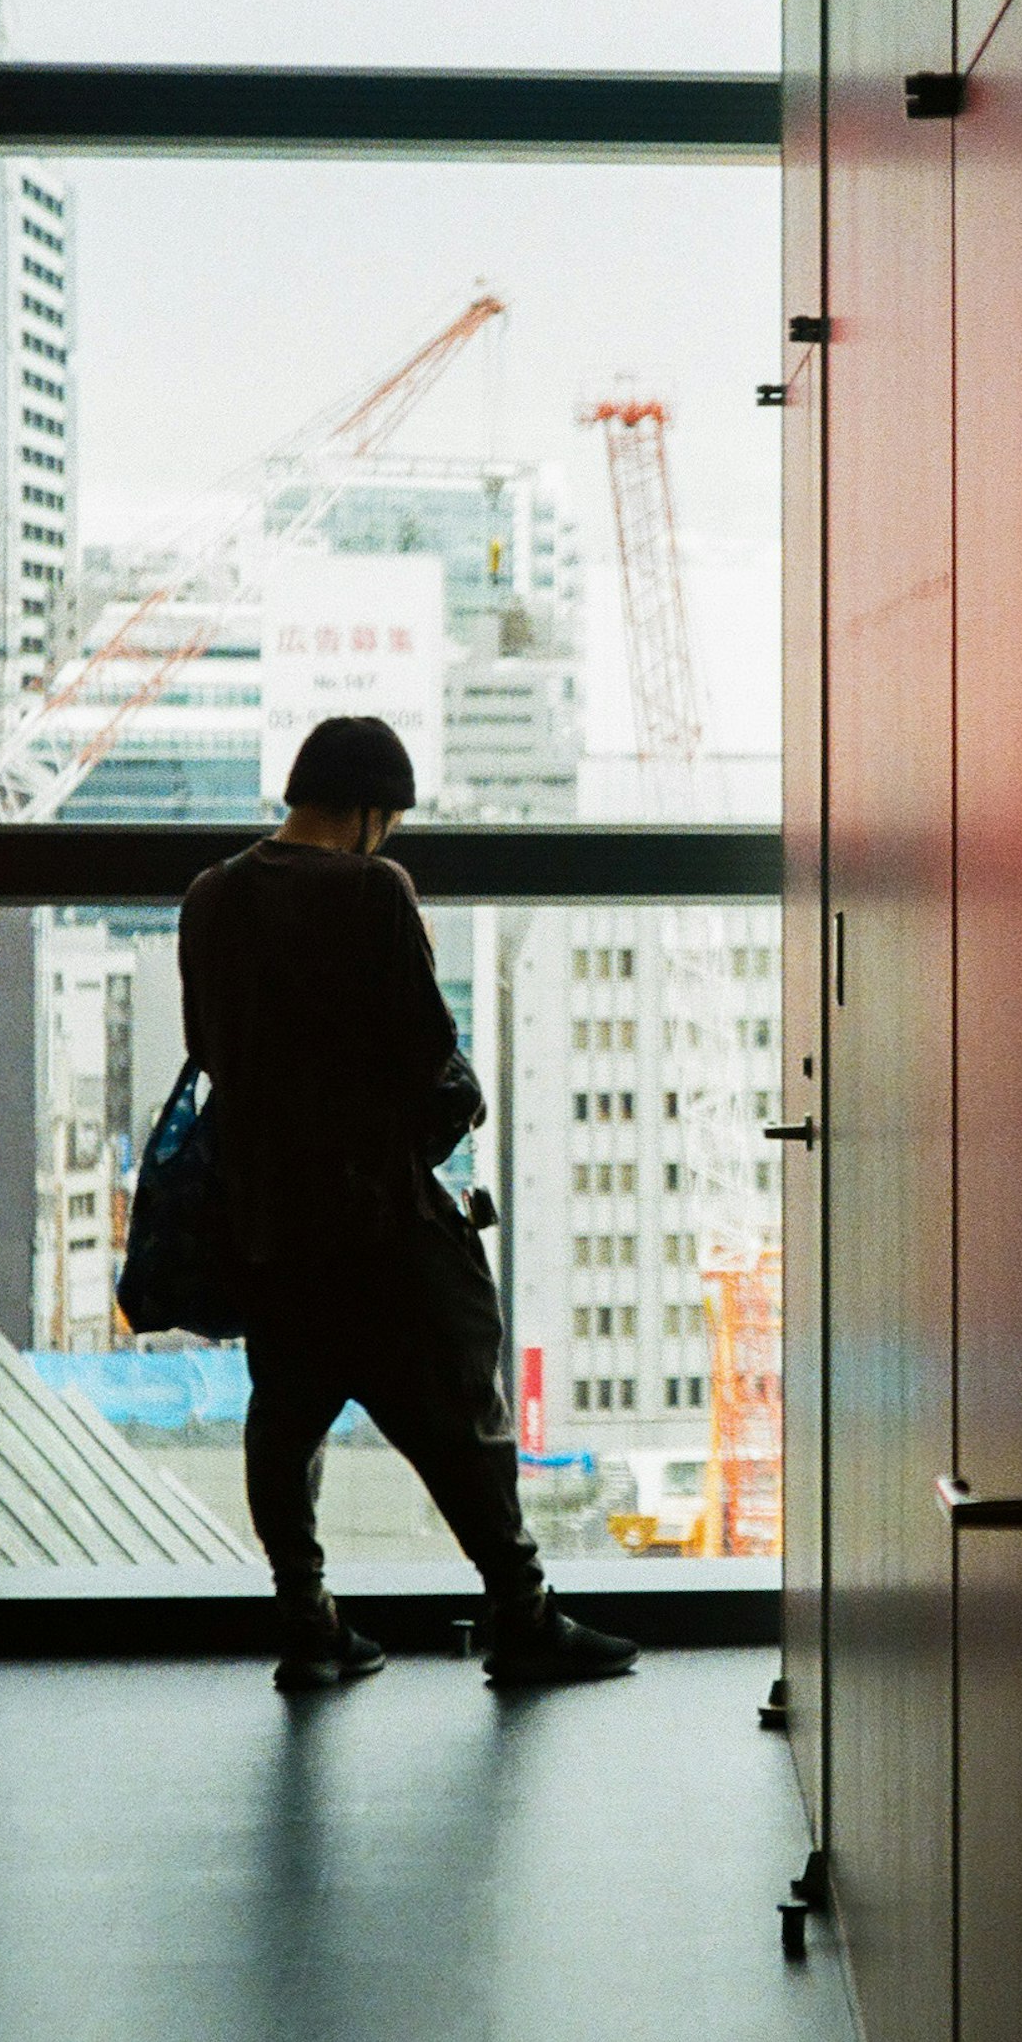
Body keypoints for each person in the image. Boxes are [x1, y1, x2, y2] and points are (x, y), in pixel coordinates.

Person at [180, 713, 640, 1693]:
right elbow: (426, 1050)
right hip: (378, 1219)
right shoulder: (374, 891)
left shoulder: (210, 896)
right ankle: (522, 1614)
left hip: (266, 1220)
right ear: (367, 809)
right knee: (461, 1406)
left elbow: (213, 1048)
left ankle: (308, 1624)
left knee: (287, 1419)